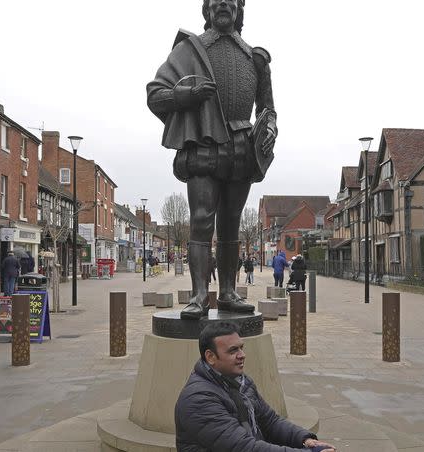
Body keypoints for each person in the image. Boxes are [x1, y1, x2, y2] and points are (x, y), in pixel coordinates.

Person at [148, 0, 277, 320]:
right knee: (202, 220)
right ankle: (199, 295)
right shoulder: (188, 51)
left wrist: (270, 126)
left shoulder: (256, 59)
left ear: (238, 7)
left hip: (242, 147)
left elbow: (268, 108)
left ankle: (229, 293)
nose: (223, 3)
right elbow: (154, 94)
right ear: (207, 8)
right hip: (203, 141)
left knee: (231, 223)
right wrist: (182, 95)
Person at [175, 322, 336, 451]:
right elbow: (243, 447)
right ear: (210, 357)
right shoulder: (198, 399)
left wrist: (305, 440)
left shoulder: (241, 382)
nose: (242, 355)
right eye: (233, 351)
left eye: (241, 348)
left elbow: (270, 421)